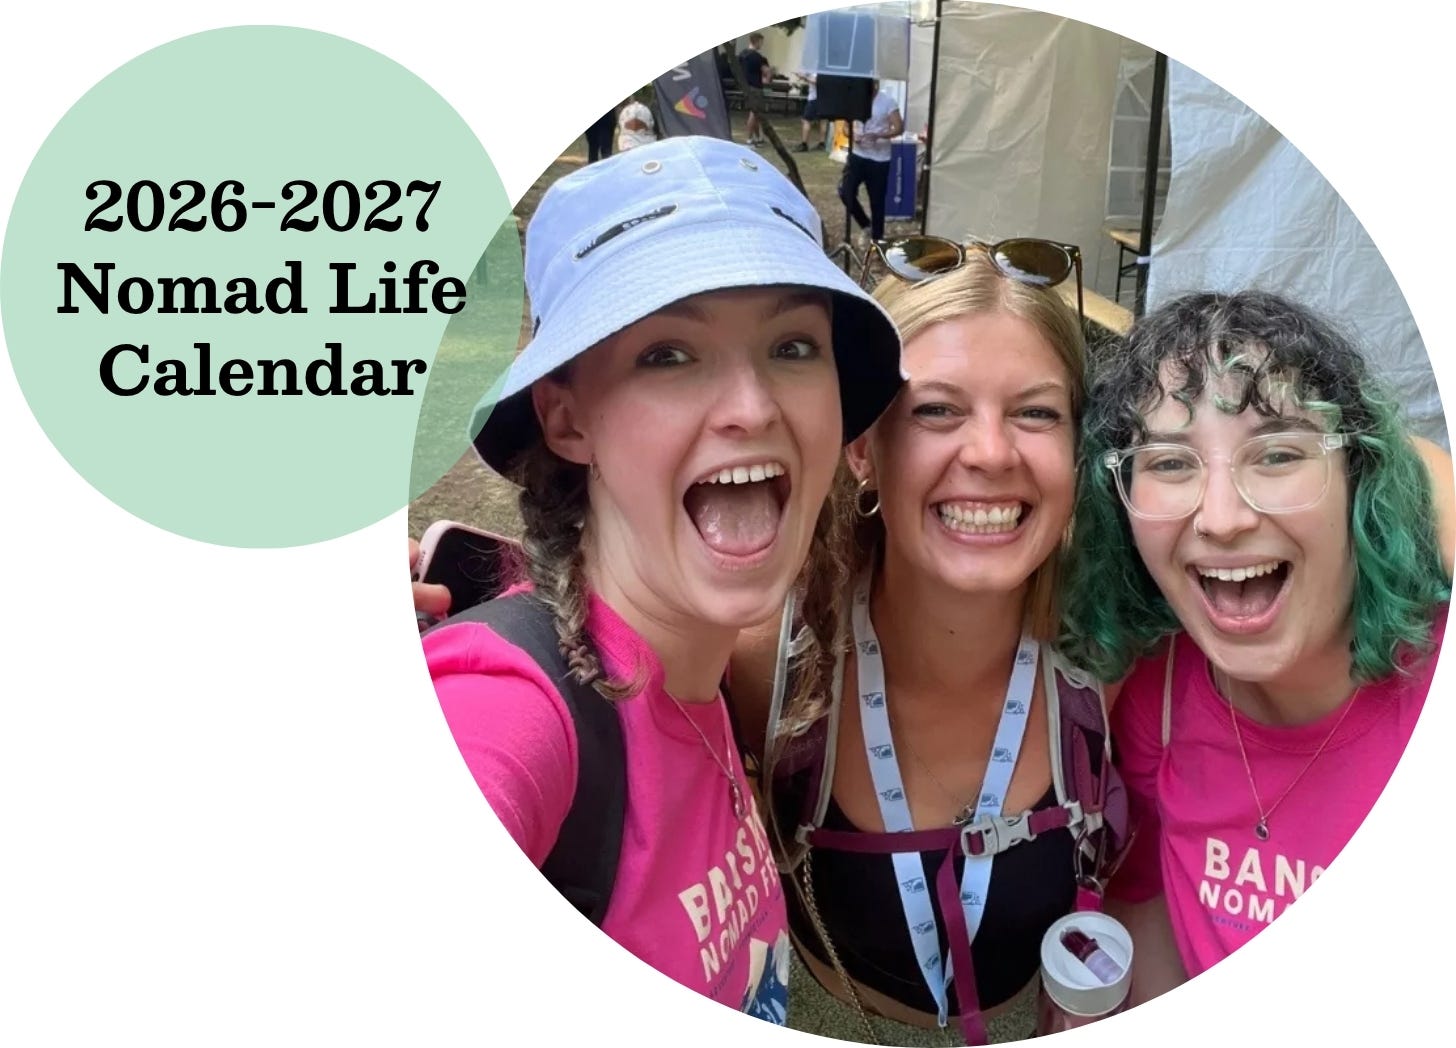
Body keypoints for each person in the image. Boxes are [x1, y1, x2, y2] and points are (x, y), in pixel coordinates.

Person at [422, 136, 904, 1022]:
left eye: (794, 346)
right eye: (668, 355)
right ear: (568, 419)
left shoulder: (700, 676)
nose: (753, 406)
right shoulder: (514, 707)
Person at [732, 244, 1125, 1044]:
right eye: (937, 410)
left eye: (1037, 412)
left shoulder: (1117, 659)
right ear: (864, 449)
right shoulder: (762, 656)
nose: (989, 451)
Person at [1061, 290, 1451, 1002]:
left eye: (1276, 454)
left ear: (1358, 476)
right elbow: (1150, 909)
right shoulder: (1159, 695)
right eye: (1171, 464)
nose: (1223, 518)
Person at [839, 80, 902, 246]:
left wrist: (880, 135)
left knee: (877, 200)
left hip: (880, 159)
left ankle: (877, 239)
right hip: (858, 154)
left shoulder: (888, 102)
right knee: (845, 191)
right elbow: (845, 127)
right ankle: (866, 225)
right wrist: (853, 136)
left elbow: (899, 127)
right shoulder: (854, 99)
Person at [739, 32, 771, 147]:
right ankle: (749, 139)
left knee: (755, 113)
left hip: (745, 87)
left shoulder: (742, 55)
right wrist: (766, 79)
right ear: (757, 41)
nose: (761, 45)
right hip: (756, 87)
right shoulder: (758, 57)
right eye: (761, 42)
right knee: (754, 113)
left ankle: (758, 137)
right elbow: (767, 72)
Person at [793, 71, 824, 152]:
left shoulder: (817, 70)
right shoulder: (824, 69)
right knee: (823, 121)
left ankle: (804, 144)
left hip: (814, 98)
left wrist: (805, 78)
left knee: (806, 120)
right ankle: (822, 143)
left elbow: (816, 81)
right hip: (822, 98)